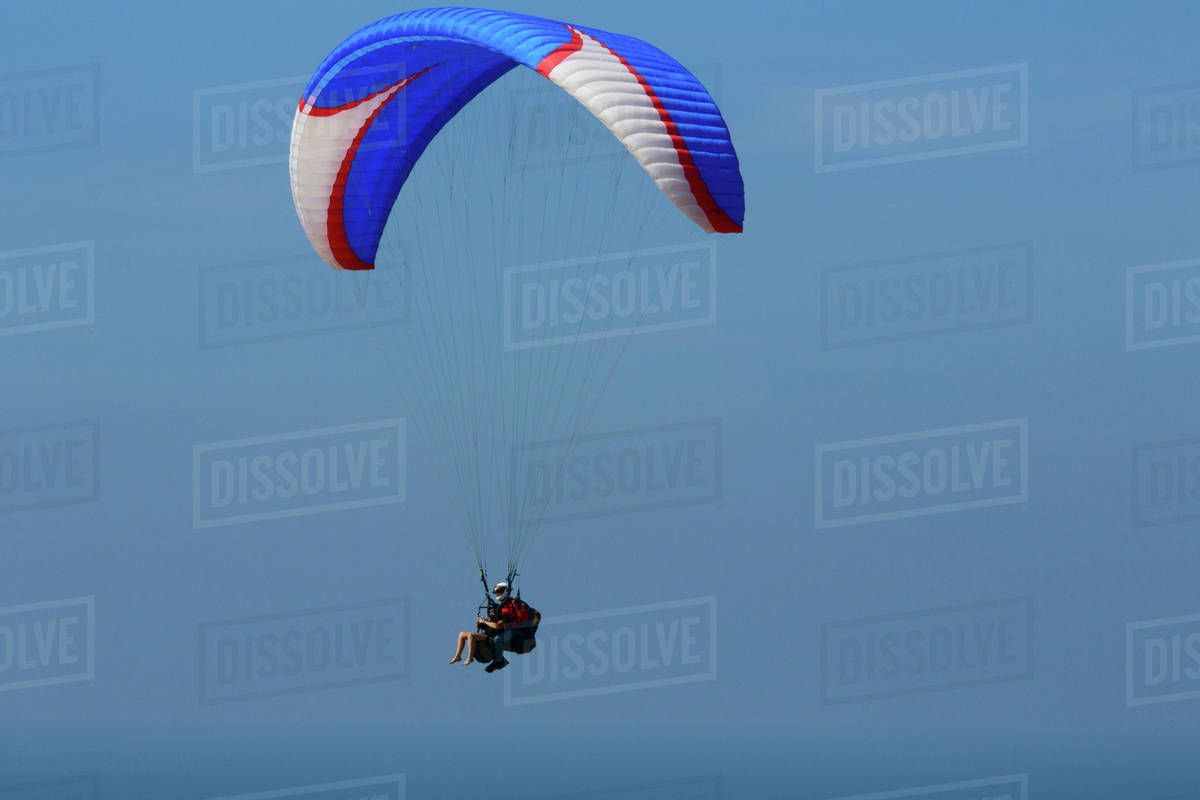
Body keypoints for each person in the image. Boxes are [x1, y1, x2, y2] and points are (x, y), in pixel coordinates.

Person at [448, 581, 527, 671]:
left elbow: (497, 626)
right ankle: (458, 656)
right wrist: (479, 623)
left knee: (470, 635)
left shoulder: (501, 616)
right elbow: (482, 627)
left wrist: (485, 621)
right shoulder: (490, 621)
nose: (491, 612)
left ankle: (470, 658)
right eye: (490, 611)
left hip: (491, 638)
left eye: (493, 611)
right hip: (486, 637)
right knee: (462, 634)